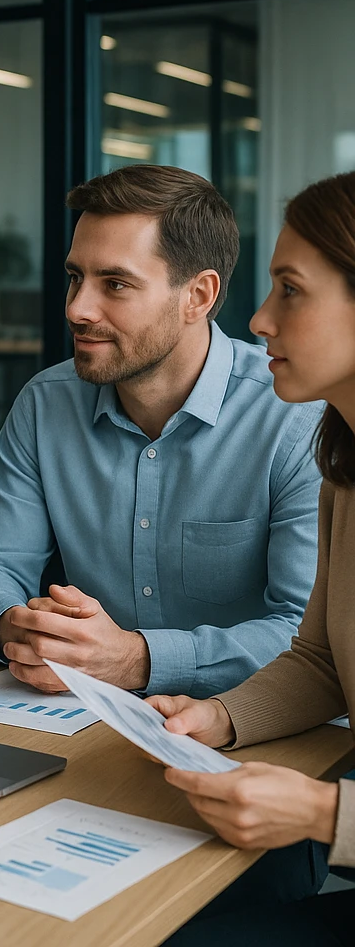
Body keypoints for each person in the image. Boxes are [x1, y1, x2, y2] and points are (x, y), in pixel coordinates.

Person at [0, 164, 322, 701]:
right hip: (79, 716)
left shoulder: (294, 418)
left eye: (115, 284)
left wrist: (135, 660)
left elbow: (306, 634)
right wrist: (18, 629)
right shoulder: (45, 404)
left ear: (198, 296)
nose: (77, 308)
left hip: (253, 727)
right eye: (76, 277)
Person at [148, 171, 355, 945]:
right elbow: (323, 660)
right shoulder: (346, 467)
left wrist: (321, 812)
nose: (260, 319)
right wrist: (220, 717)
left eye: (291, 291)